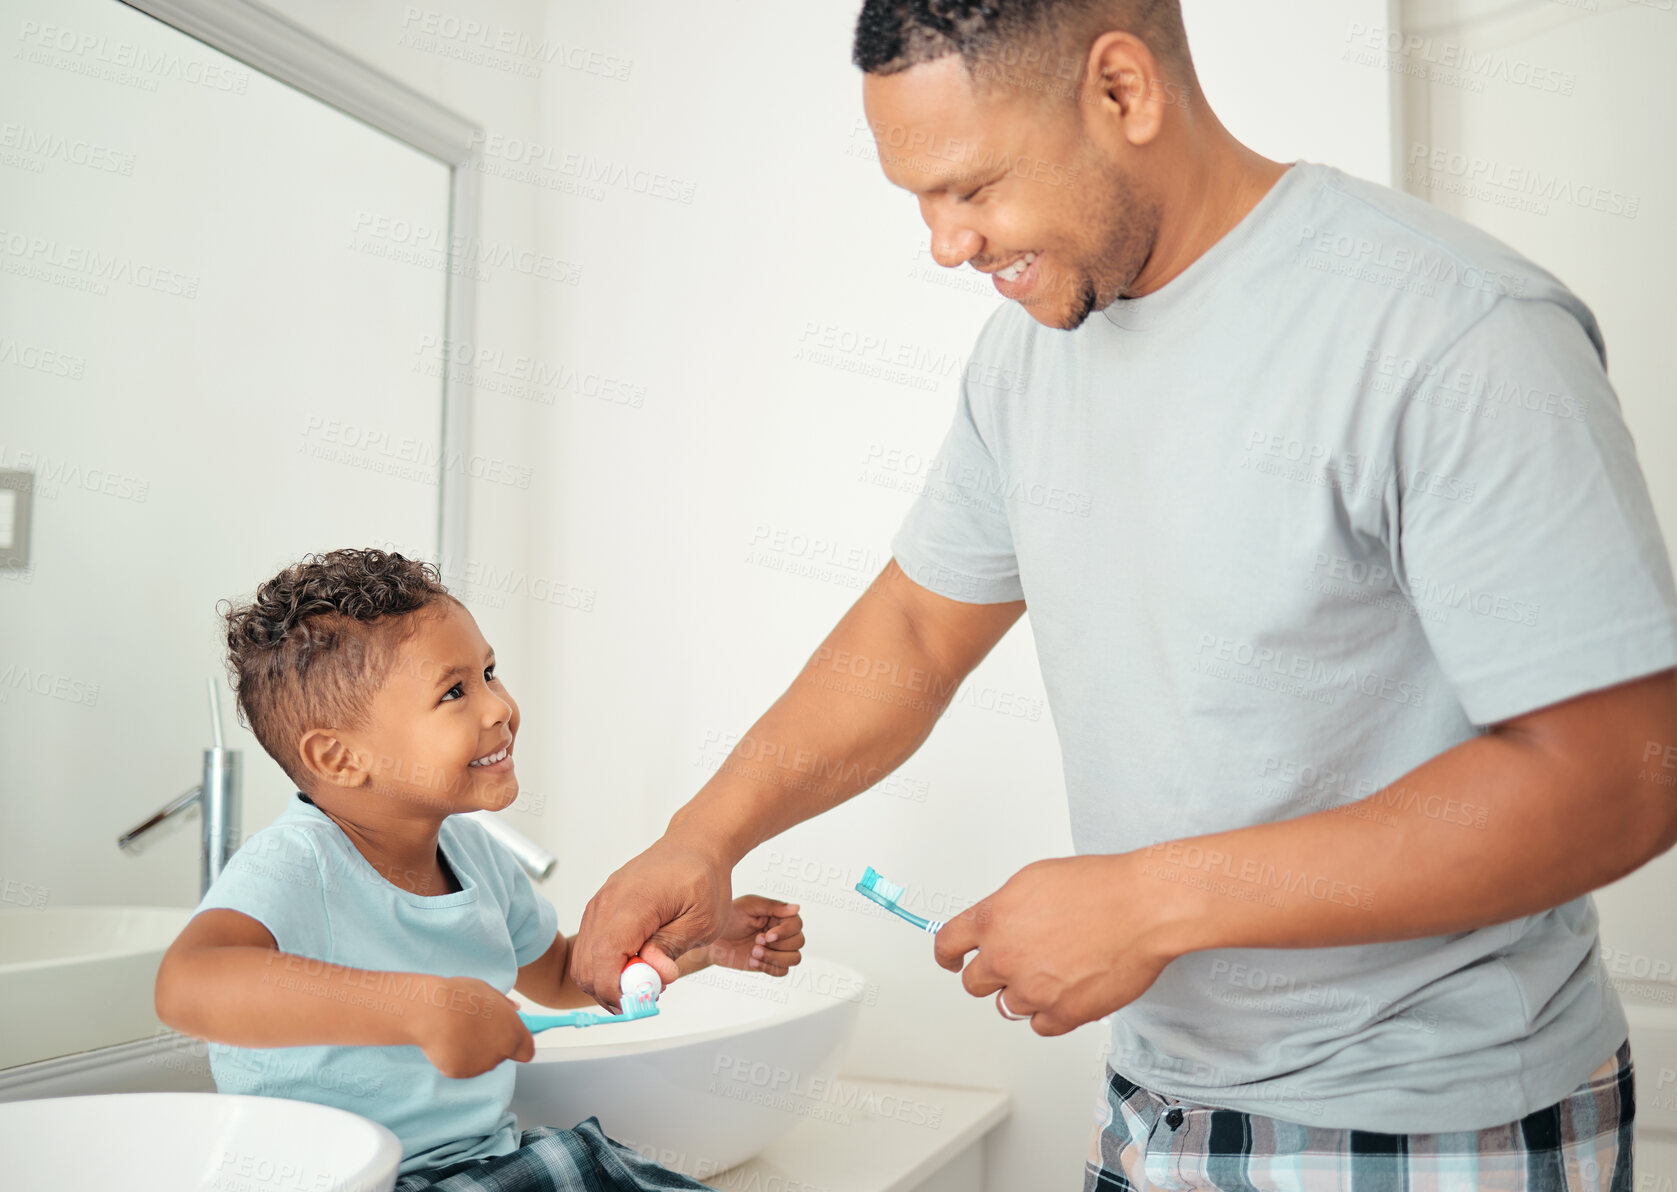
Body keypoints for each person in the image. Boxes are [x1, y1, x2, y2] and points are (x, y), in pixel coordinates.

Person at [569, 2, 1677, 1188]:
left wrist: (1147, 903)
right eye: (922, 202)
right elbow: (914, 632)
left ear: (1123, 91)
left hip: (1427, 1124)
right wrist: (705, 836)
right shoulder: (1027, 356)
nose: (948, 244)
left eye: (973, 186)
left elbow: (1620, 777)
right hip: (1159, 1108)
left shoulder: (1453, 328)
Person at [154, 548, 805, 1190]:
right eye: (455, 692)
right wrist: (415, 1007)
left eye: (490, 673)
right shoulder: (299, 864)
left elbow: (559, 977)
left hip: (481, 1161)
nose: (498, 707)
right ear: (339, 758)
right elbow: (187, 985)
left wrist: (691, 944)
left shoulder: (474, 855)